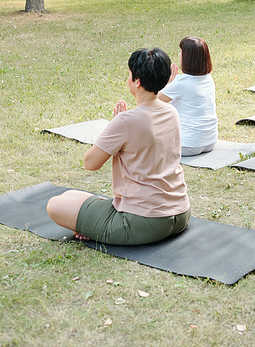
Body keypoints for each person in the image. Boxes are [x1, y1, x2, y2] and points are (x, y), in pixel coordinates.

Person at [46, 48, 191, 245]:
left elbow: (90, 163)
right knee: (70, 195)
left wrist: (113, 128)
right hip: (180, 214)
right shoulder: (171, 111)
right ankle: (93, 224)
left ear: (137, 81)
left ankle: (93, 228)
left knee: (54, 205)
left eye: (129, 75)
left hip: (144, 222)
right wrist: (118, 128)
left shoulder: (125, 121)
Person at [159, 36, 218, 156]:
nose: (178, 54)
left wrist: (169, 83)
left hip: (187, 144)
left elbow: (153, 100)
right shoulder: (208, 78)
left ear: (187, 58)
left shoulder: (181, 82)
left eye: (181, 52)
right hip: (210, 142)